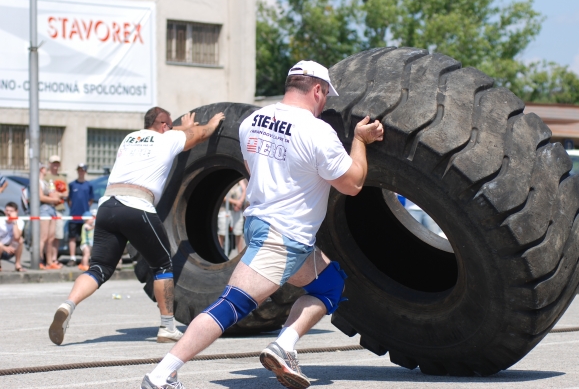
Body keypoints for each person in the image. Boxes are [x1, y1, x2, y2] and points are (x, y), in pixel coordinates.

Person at [141, 60, 384, 389]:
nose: (325, 102)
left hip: (269, 228)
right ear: (317, 90)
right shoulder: (317, 131)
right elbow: (352, 184)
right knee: (230, 306)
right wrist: (359, 141)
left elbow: (251, 166)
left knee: (330, 286)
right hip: (282, 237)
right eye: (326, 94)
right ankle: (162, 375)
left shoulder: (252, 121)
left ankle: (284, 346)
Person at [48, 106, 225, 347]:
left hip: (107, 207)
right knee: (162, 265)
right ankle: (167, 327)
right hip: (136, 206)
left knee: (99, 268)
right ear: (165, 126)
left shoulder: (130, 138)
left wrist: (182, 127)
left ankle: (68, 304)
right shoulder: (168, 139)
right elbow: (201, 135)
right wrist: (212, 123)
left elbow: (166, 132)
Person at [67, 164, 94, 266]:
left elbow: (91, 200)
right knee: (72, 237)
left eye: (83, 170)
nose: (81, 172)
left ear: (85, 172)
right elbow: (69, 200)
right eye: (79, 170)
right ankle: (72, 258)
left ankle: (85, 258)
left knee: (86, 238)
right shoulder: (72, 184)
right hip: (74, 215)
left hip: (85, 217)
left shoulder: (89, 185)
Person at [45, 156, 69, 266]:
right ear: (49, 164)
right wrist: (58, 195)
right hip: (47, 209)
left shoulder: (62, 178)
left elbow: (66, 193)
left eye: (57, 163)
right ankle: (47, 258)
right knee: (47, 236)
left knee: (57, 236)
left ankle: (54, 259)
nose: (55, 165)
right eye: (54, 163)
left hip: (59, 209)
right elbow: (47, 193)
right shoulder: (46, 177)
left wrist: (57, 194)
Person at [39, 163, 62, 269]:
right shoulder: (37, 182)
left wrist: (56, 195)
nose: (46, 170)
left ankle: (49, 262)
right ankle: (39, 260)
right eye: (45, 168)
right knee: (43, 237)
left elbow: (53, 194)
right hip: (44, 209)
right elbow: (41, 197)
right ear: (41, 169)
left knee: (51, 238)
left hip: (51, 209)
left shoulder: (45, 182)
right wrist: (54, 199)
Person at [217, 179, 247, 257]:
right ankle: (218, 254)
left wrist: (240, 202)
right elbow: (222, 196)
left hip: (237, 209)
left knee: (238, 233)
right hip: (224, 209)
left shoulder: (239, 181)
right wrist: (236, 202)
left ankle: (240, 255)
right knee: (222, 233)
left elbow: (244, 189)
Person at [0, 202, 25, 272]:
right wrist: (4, 247)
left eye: (11, 211)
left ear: (16, 212)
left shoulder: (19, 222)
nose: (8, 213)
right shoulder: (1, 221)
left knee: (20, 240)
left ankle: (17, 264)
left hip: (12, 246)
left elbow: (17, 237)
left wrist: (14, 221)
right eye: (7, 210)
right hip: (1, 246)